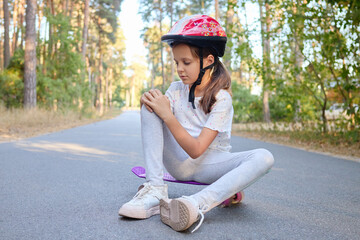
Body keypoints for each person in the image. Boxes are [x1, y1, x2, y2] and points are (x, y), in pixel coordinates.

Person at [118, 14, 274, 233]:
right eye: (177, 62)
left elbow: (197, 150)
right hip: (177, 163)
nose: (180, 68)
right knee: (151, 104)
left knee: (264, 157)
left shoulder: (222, 99)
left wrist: (169, 116)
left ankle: (195, 203)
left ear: (208, 60)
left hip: (210, 166)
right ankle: (155, 190)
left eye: (186, 62)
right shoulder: (175, 90)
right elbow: (161, 119)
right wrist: (153, 104)